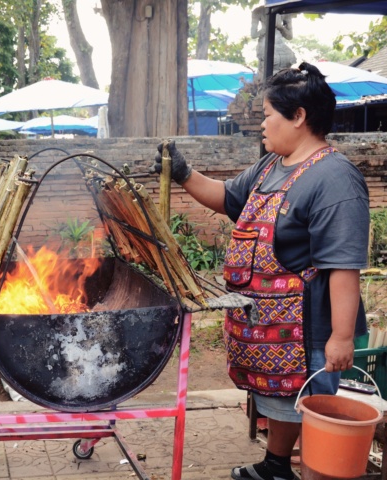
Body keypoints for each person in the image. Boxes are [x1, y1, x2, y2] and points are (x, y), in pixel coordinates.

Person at [153, 61, 369, 480]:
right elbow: (227, 198)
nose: (262, 126)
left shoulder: (333, 178)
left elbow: (343, 264)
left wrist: (341, 337)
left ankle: (321, 470)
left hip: (309, 326)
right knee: (282, 400)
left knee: (307, 402)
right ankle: (276, 466)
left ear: (299, 116)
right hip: (268, 319)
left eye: (268, 115)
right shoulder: (272, 166)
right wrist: (181, 172)